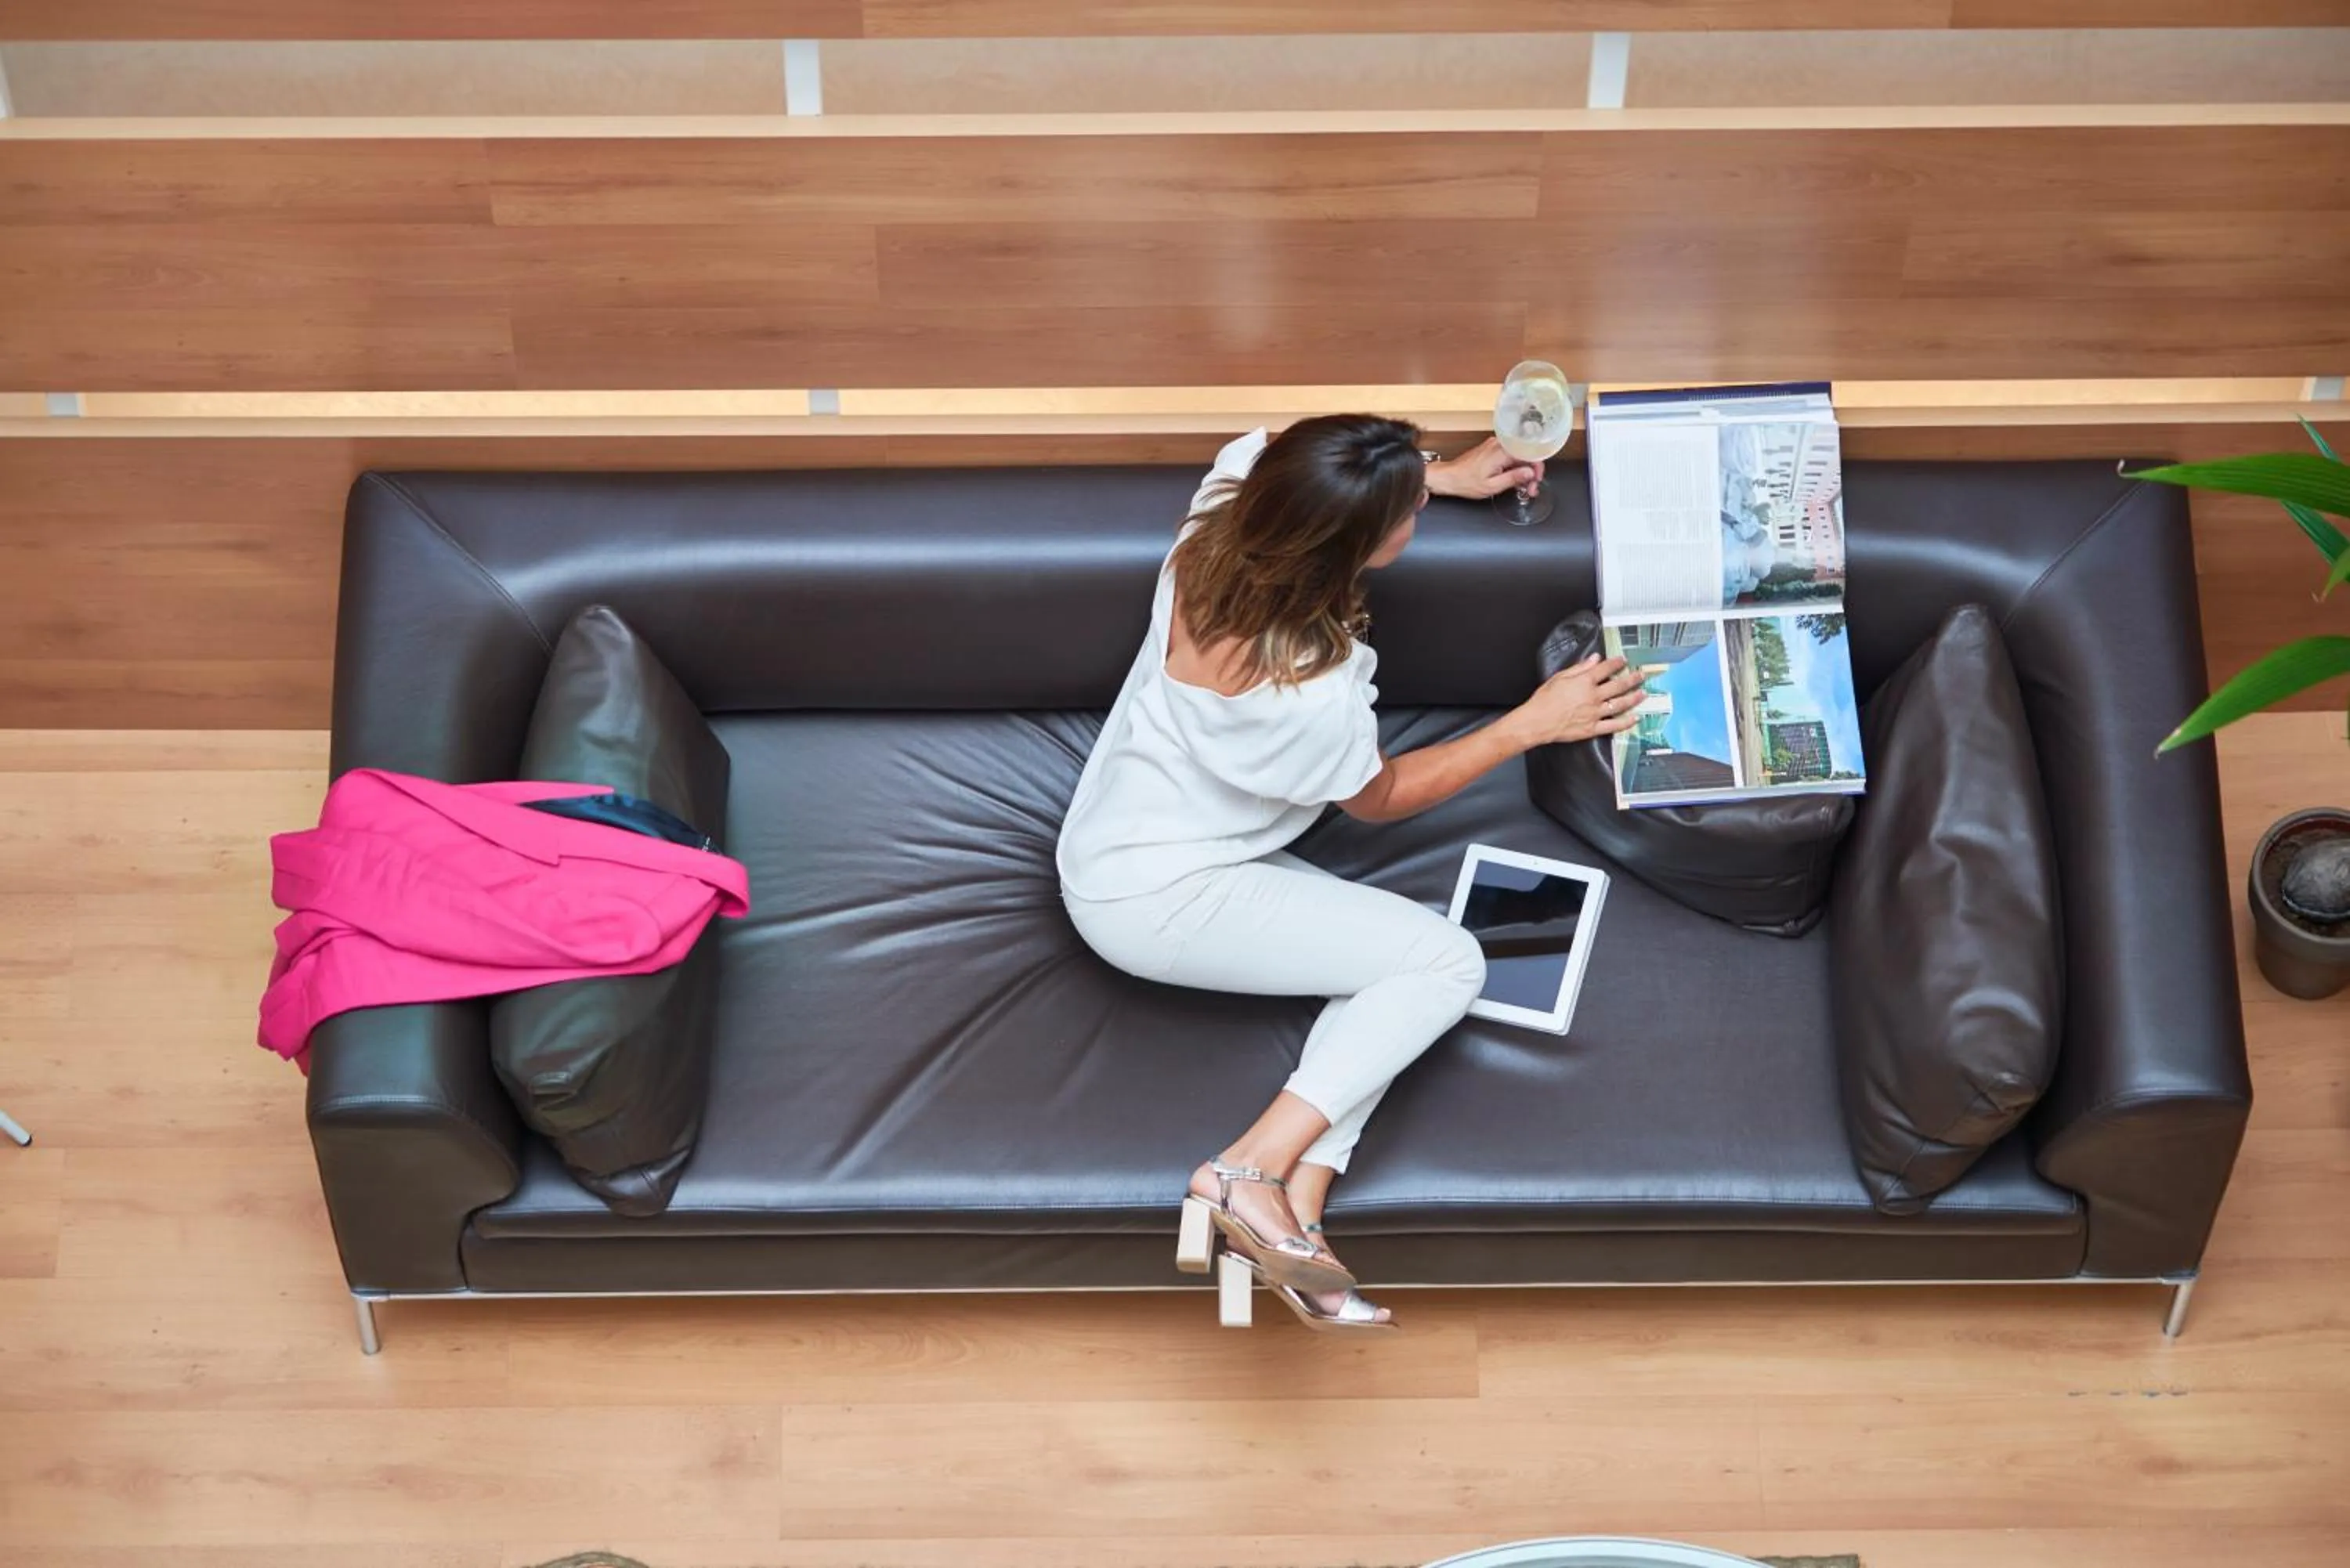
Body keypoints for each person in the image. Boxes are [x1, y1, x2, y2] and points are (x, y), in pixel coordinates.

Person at [1056, 416, 1645, 1331]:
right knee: (1447, 963)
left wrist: (1432, 473)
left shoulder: (1226, 511)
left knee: (1389, 982)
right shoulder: (1303, 695)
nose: (1419, 511)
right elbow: (1382, 796)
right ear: (1354, 546)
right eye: (1407, 510)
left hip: (1120, 832)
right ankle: (1243, 1170)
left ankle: (1302, 1203)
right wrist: (1531, 724)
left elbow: (1277, 444)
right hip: (1156, 900)